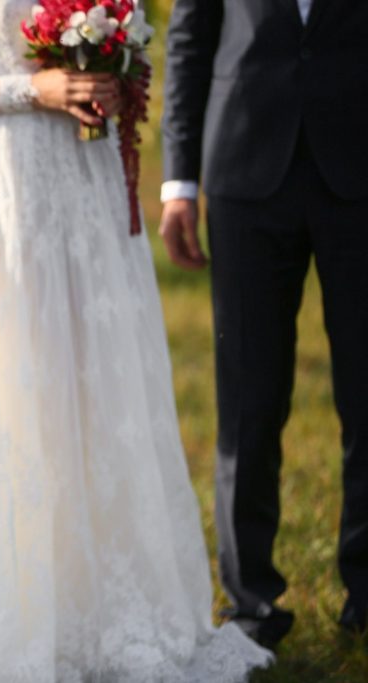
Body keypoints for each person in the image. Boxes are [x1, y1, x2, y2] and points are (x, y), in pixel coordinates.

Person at [0, 1, 272, 680]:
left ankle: (103, 608)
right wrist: (30, 89)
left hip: (86, 180)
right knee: (10, 381)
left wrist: (109, 74)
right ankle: (11, 608)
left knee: (99, 385)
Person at [161, 0, 368, 648]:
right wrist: (178, 182)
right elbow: (190, 41)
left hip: (360, 176)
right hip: (245, 174)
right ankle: (252, 601)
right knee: (249, 401)